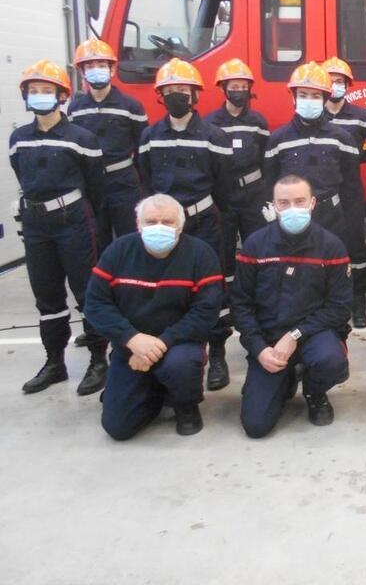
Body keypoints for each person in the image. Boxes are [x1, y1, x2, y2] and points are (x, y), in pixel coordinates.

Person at [85, 194, 222, 439]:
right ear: (138, 225)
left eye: (167, 222)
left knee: (180, 365)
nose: (159, 227)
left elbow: (206, 312)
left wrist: (160, 343)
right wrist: (131, 338)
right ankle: (154, 392)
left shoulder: (201, 254)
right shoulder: (118, 251)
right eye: (151, 222)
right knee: (118, 428)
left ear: (180, 226)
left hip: (180, 344)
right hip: (131, 346)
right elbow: (96, 304)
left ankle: (185, 406)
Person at [137, 58, 234, 391]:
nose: (177, 95)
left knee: (212, 287)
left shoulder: (214, 136)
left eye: (183, 90)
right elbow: (146, 181)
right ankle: (177, 350)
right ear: (160, 96)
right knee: (170, 285)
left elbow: (224, 184)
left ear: (195, 95)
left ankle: (218, 354)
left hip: (204, 220)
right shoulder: (149, 136)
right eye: (170, 91)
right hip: (167, 225)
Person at [12, 60, 108, 395]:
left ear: (62, 95)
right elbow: (23, 178)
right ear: (25, 96)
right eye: (34, 91)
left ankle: (98, 360)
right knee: (47, 295)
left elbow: (97, 187)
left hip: (74, 222)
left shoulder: (82, 138)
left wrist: (85, 219)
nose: (40, 96)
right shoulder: (18, 139)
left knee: (87, 291)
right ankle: (55, 362)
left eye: (47, 91)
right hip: (37, 225)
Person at [233, 175, 352, 437]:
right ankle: (284, 378)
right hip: (268, 340)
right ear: (274, 206)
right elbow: (240, 305)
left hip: (312, 334)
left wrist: (294, 335)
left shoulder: (331, 246)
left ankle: (315, 391)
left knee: (330, 360)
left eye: (299, 201)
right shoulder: (255, 245)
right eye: (284, 203)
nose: (292, 208)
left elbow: (339, 307)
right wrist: (258, 349)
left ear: (312, 203)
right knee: (256, 426)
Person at [322, 57, 366, 328]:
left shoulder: (360, 116)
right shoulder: (315, 117)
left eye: (340, 82)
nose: (336, 86)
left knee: (355, 249)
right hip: (321, 193)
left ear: (348, 86)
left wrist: (359, 158)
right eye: (331, 81)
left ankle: (357, 304)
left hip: (349, 193)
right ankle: (328, 301)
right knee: (322, 248)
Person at [263, 62, 362, 249]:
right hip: (290, 216)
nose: (309, 100)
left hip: (331, 217)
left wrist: (353, 223)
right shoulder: (277, 139)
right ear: (293, 98)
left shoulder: (342, 138)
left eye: (316, 96)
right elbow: (270, 182)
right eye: (303, 95)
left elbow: (352, 187)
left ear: (325, 99)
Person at [67, 38, 147, 252]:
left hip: (124, 184)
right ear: (82, 72)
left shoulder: (132, 106)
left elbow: (143, 150)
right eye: (90, 66)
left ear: (112, 69)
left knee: (130, 240)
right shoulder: (75, 108)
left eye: (101, 65)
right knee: (97, 241)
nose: (96, 70)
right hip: (92, 184)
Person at [204, 58, 270, 276]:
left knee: (257, 244)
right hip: (223, 194)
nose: (239, 92)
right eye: (234, 87)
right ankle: (227, 298)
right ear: (223, 89)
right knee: (224, 247)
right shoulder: (210, 123)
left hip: (253, 193)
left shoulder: (258, 122)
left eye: (244, 87)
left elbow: (265, 157)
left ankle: (256, 292)